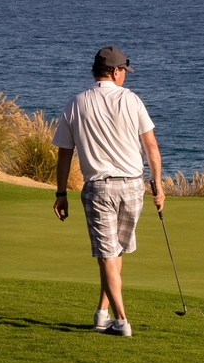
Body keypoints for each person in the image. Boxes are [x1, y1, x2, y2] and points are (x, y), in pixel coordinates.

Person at [52, 46, 165, 337]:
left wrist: (60, 193)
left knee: (109, 254)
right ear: (115, 72)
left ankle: (122, 321)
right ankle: (103, 314)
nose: (125, 75)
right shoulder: (132, 100)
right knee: (112, 254)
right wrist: (158, 186)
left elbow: (65, 154)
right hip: (132, 187)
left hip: (98, 188)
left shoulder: (75, 103)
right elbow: (151, 146)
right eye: (124, 70)